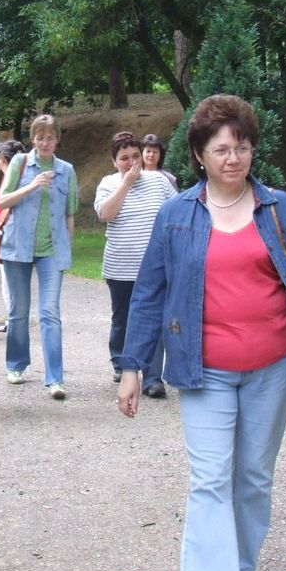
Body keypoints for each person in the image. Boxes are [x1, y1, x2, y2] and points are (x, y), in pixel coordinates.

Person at [118, 94, 286, 571]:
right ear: (199, 155)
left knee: (253, 477)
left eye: (242, 147)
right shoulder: (177, 215)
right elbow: (148, 293)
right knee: (211, 479)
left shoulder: (279, 209)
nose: (233, 158)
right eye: (221, 149)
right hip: (204, 370)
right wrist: (132, 366)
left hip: (274, 368)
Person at [0, 114, 79, 399]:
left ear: (57, 140)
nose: (45, 143)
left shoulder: (66, 170)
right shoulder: (20, 163)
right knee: (19, 311)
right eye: (40, 137)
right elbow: (2, 201)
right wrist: (32, 185)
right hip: (18, 247)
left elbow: (70, 214)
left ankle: (55, 379)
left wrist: (67, 248)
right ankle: (16, 364)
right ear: (33, 139)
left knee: (50, 313)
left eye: (50, 138)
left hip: (52, 251)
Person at [95, 130, 175, 395]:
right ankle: (121, 361)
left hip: (155, 267)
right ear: (114, 162)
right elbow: (105, 214)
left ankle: (152, 378)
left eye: (135, 156)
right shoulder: (108, 183)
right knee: (123, 319)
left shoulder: (159, 181)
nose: (131, 162)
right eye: (124, 158)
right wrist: (125, 184)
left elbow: (176, 212)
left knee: (155, 320)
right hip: (121, 266)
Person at [0, 139, 24, 333]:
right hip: (3, 237)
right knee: (9, 281)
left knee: (11, 282)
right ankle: (13, 318)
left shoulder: (13, 180)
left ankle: (14, 321)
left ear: (3, 158)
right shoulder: (8, 178)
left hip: (10, 237)